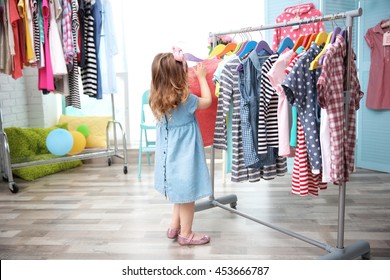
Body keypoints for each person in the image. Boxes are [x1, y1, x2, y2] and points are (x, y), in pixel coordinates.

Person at [149, 47, 212, 246]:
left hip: (168, 158)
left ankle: (174, 227)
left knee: (179, 191)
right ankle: (186, 234)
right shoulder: (186, 99)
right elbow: (208, 101)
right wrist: (202, 77)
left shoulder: (156, 100)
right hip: (184, 154)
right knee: (187, 195)